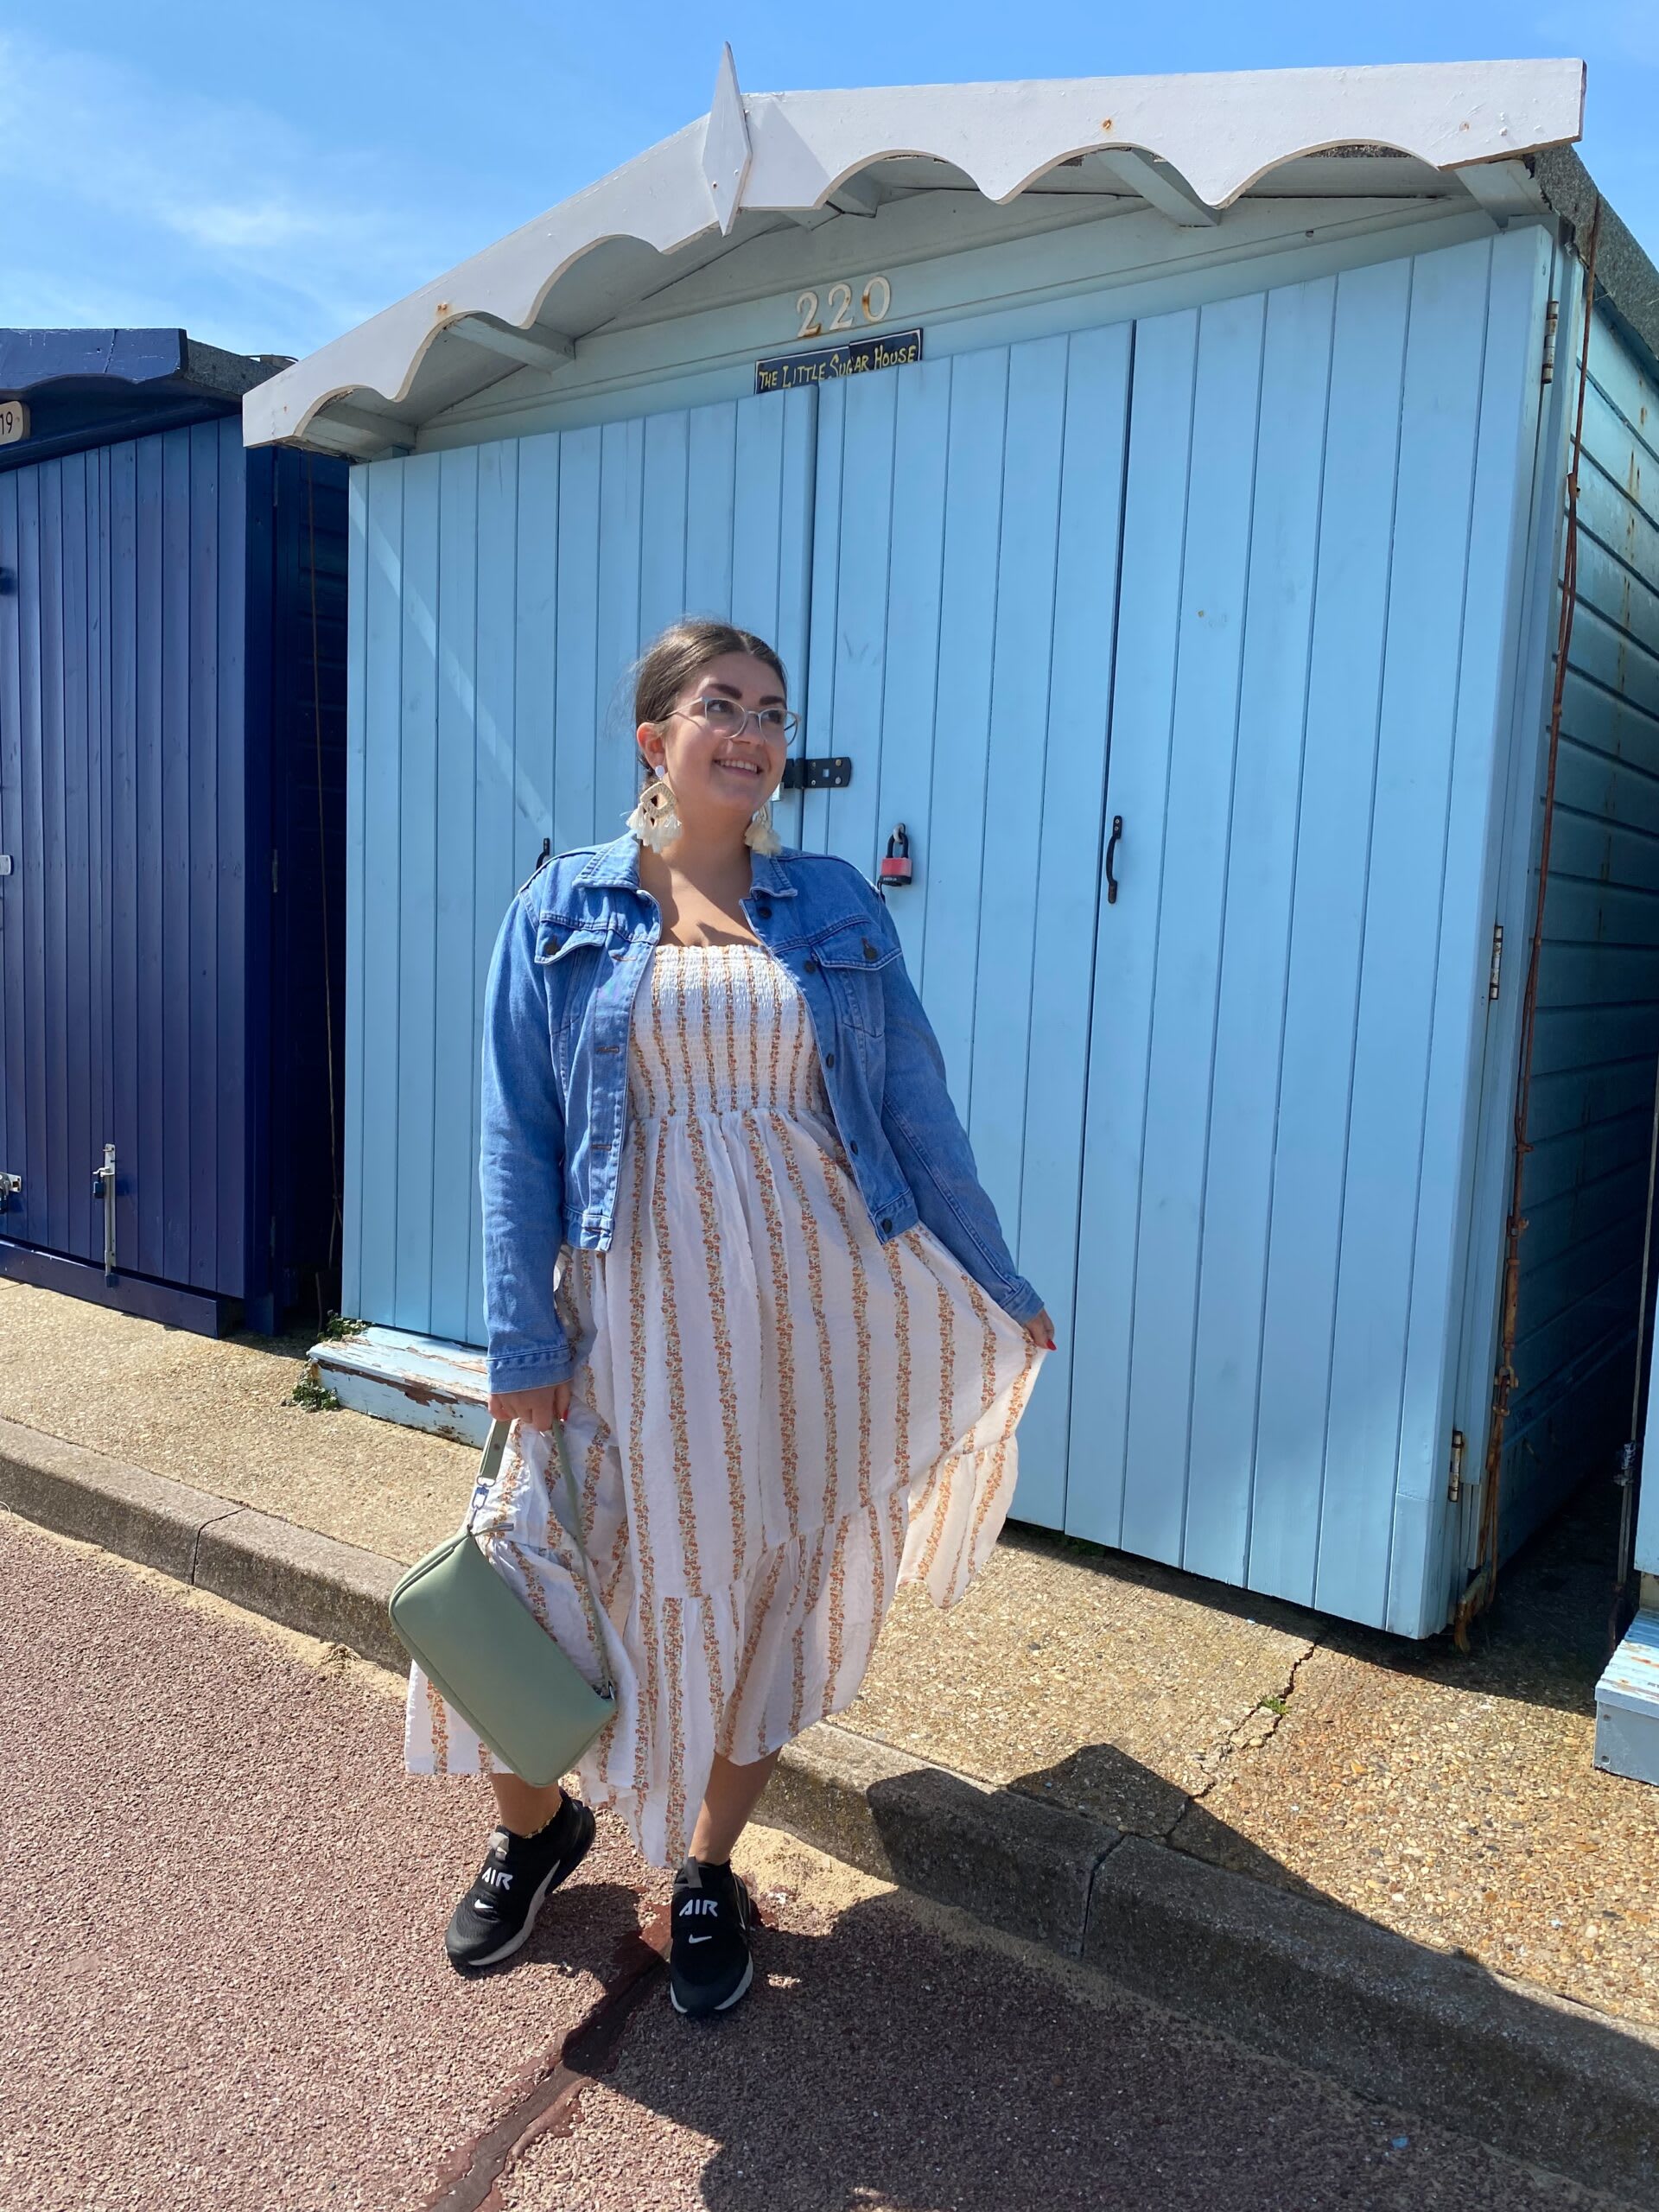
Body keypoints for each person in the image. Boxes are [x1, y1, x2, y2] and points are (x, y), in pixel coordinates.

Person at [405, 617, 1055, 2018]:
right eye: (721, 704)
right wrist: (522, 1343)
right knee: (532, 1571)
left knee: (760, 1575)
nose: (751, 729)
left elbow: (910, 1108)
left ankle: (706, 1867)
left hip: (804, 1307)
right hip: (621, 1309)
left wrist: (994, 1279)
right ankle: (538, 1829)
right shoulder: (564, 905)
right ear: (657, 738)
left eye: (769, 708)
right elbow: (515, 1135)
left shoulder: (828, 903)